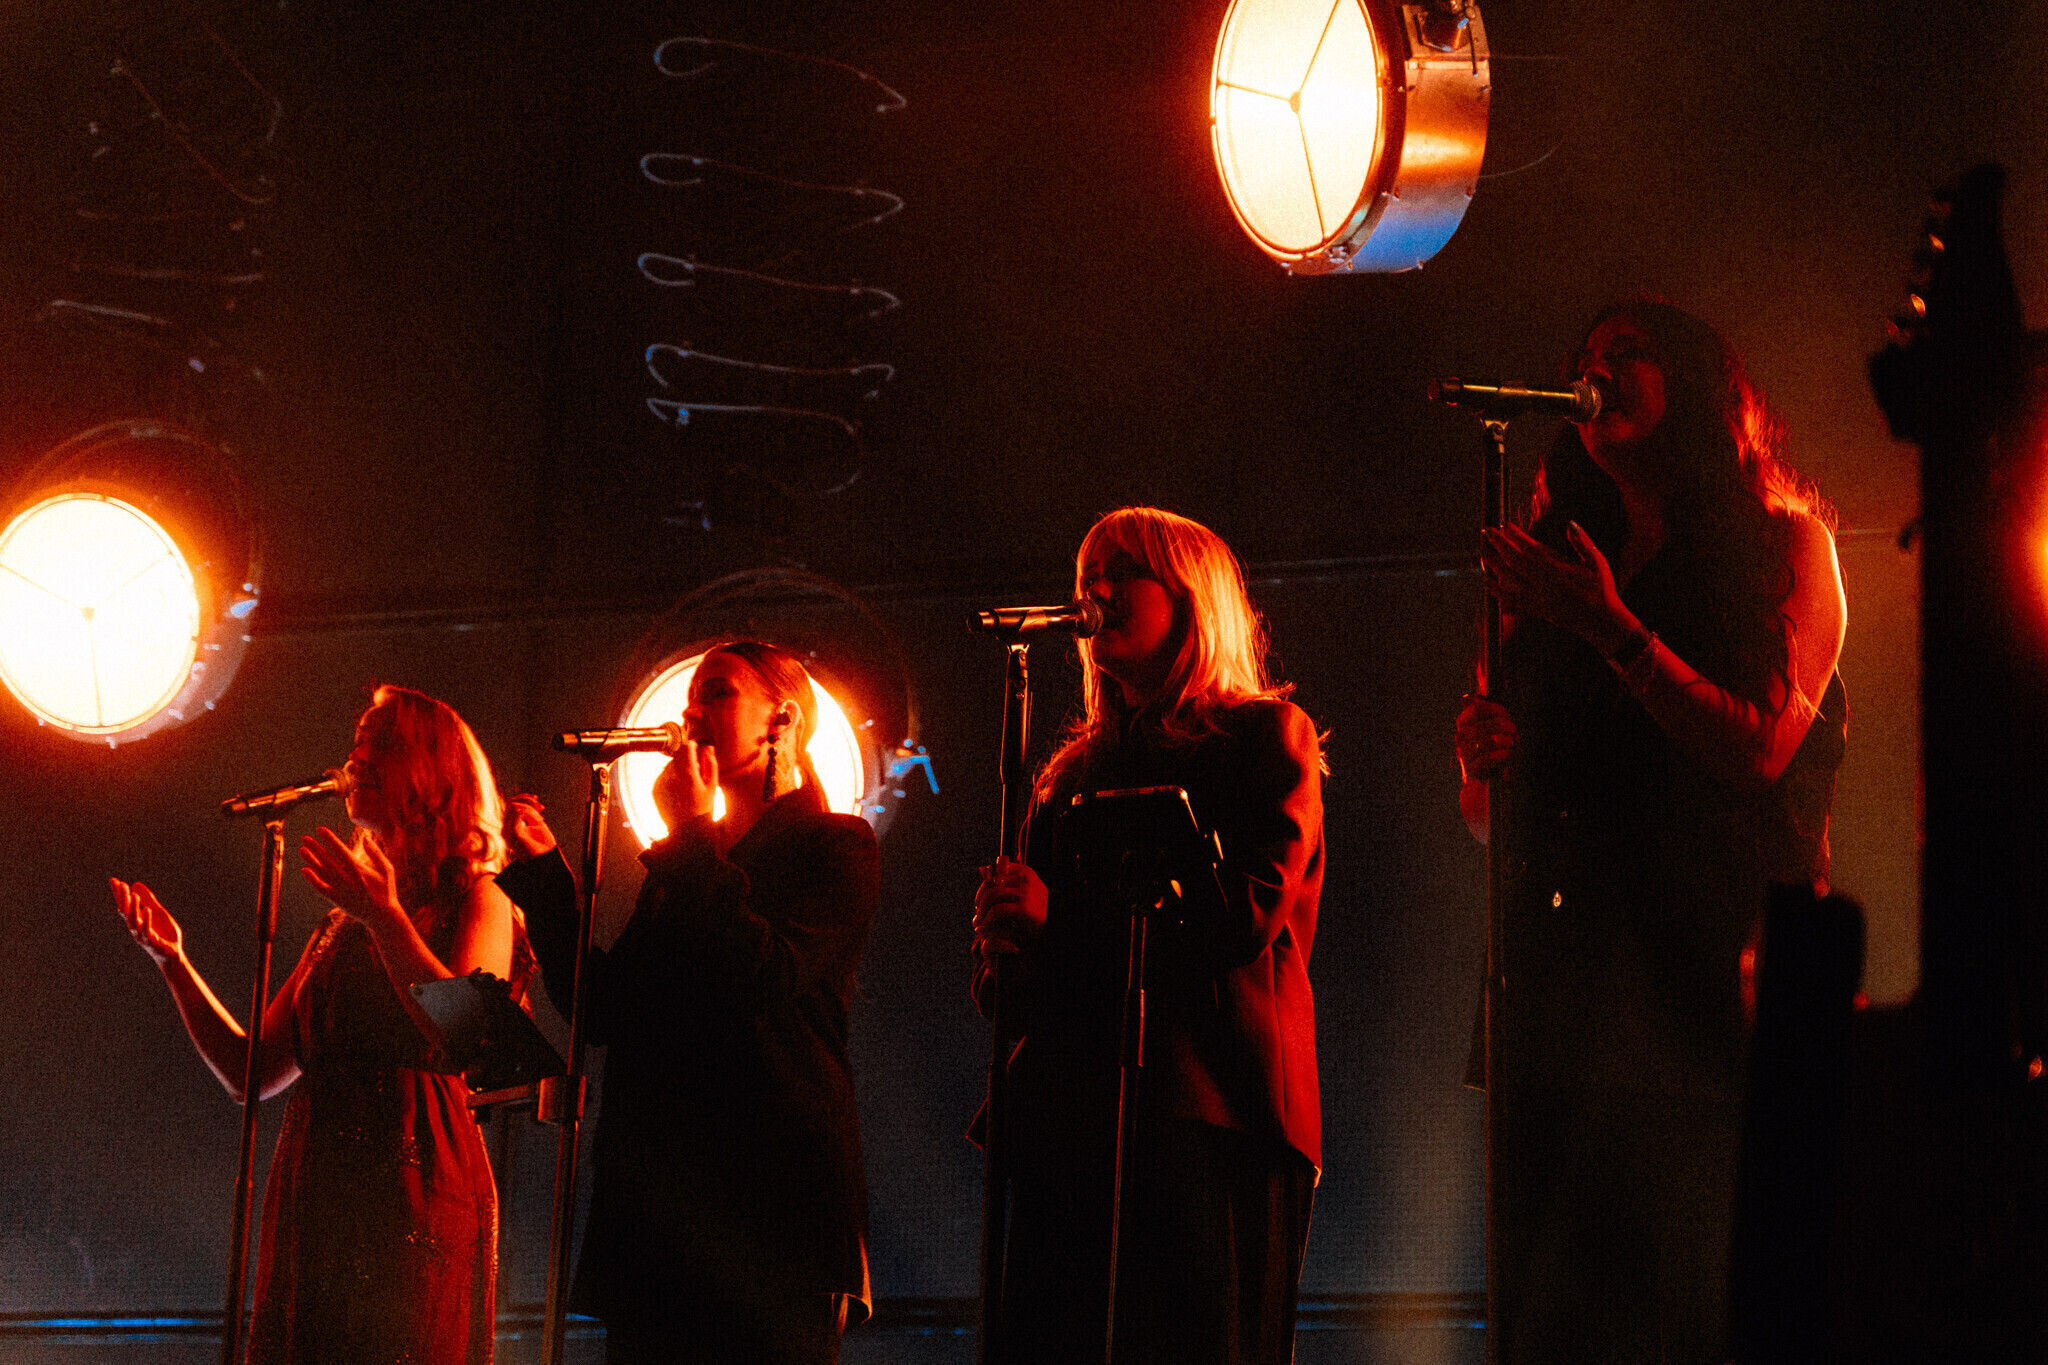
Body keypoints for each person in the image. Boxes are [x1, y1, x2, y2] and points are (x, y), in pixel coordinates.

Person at [1456, 299, 1848, 1365]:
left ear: (1696, 384)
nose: (1597, 370)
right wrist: (1480, 763)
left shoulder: (1785, 545)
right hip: (1556, 994)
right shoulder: (1548, 566)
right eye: (1584, 356)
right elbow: (1488, 821)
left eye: (1626, 352)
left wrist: (1610, 627)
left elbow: (1758, 747)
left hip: (1709, 995)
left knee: (1701, 1312)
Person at [972, 505, 1325, 1365]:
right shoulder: (1069, 775)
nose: (1096, 590)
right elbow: (1012, 995)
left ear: (1191, 596)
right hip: (1071, 1125)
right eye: (1086, 575)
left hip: (1212, 1114)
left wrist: (1056, 922)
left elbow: (1242, 916)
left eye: (1124, 571)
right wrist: (1005, 938)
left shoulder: (1262, 737)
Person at [112, 684, 527, 1365]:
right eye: (356, 742)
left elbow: (469, 1036)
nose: (356, 758)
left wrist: (385, 918)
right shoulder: (342, 926)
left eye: (380, 742)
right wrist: (173, 962)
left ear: (433, 772)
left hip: (416, 1195)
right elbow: (251, 1073)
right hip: (319, 1195)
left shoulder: (480, 896)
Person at [497, 640, 879, 1365]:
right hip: (662, 1217)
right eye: (689, 697)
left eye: (718, 693)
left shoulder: (836, 845)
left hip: (772, 1215)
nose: (691, 713)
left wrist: (692, 838)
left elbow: (765, 976)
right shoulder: (686, 860)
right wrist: (546, 874)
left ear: (783, 719)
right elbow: (604, 1010)